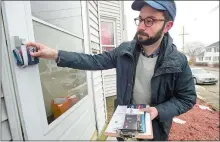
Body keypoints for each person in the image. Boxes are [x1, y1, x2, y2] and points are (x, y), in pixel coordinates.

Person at [26, 0, 196, 141]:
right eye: (140, 19)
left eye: (150, 20)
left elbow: (187, 98)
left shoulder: (178, 61)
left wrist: (158, 111)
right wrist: (55, 54)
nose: (141, 26)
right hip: (126, 119)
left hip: (156, 126)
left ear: (167, 26)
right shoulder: (124, 51)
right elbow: (93, 61)